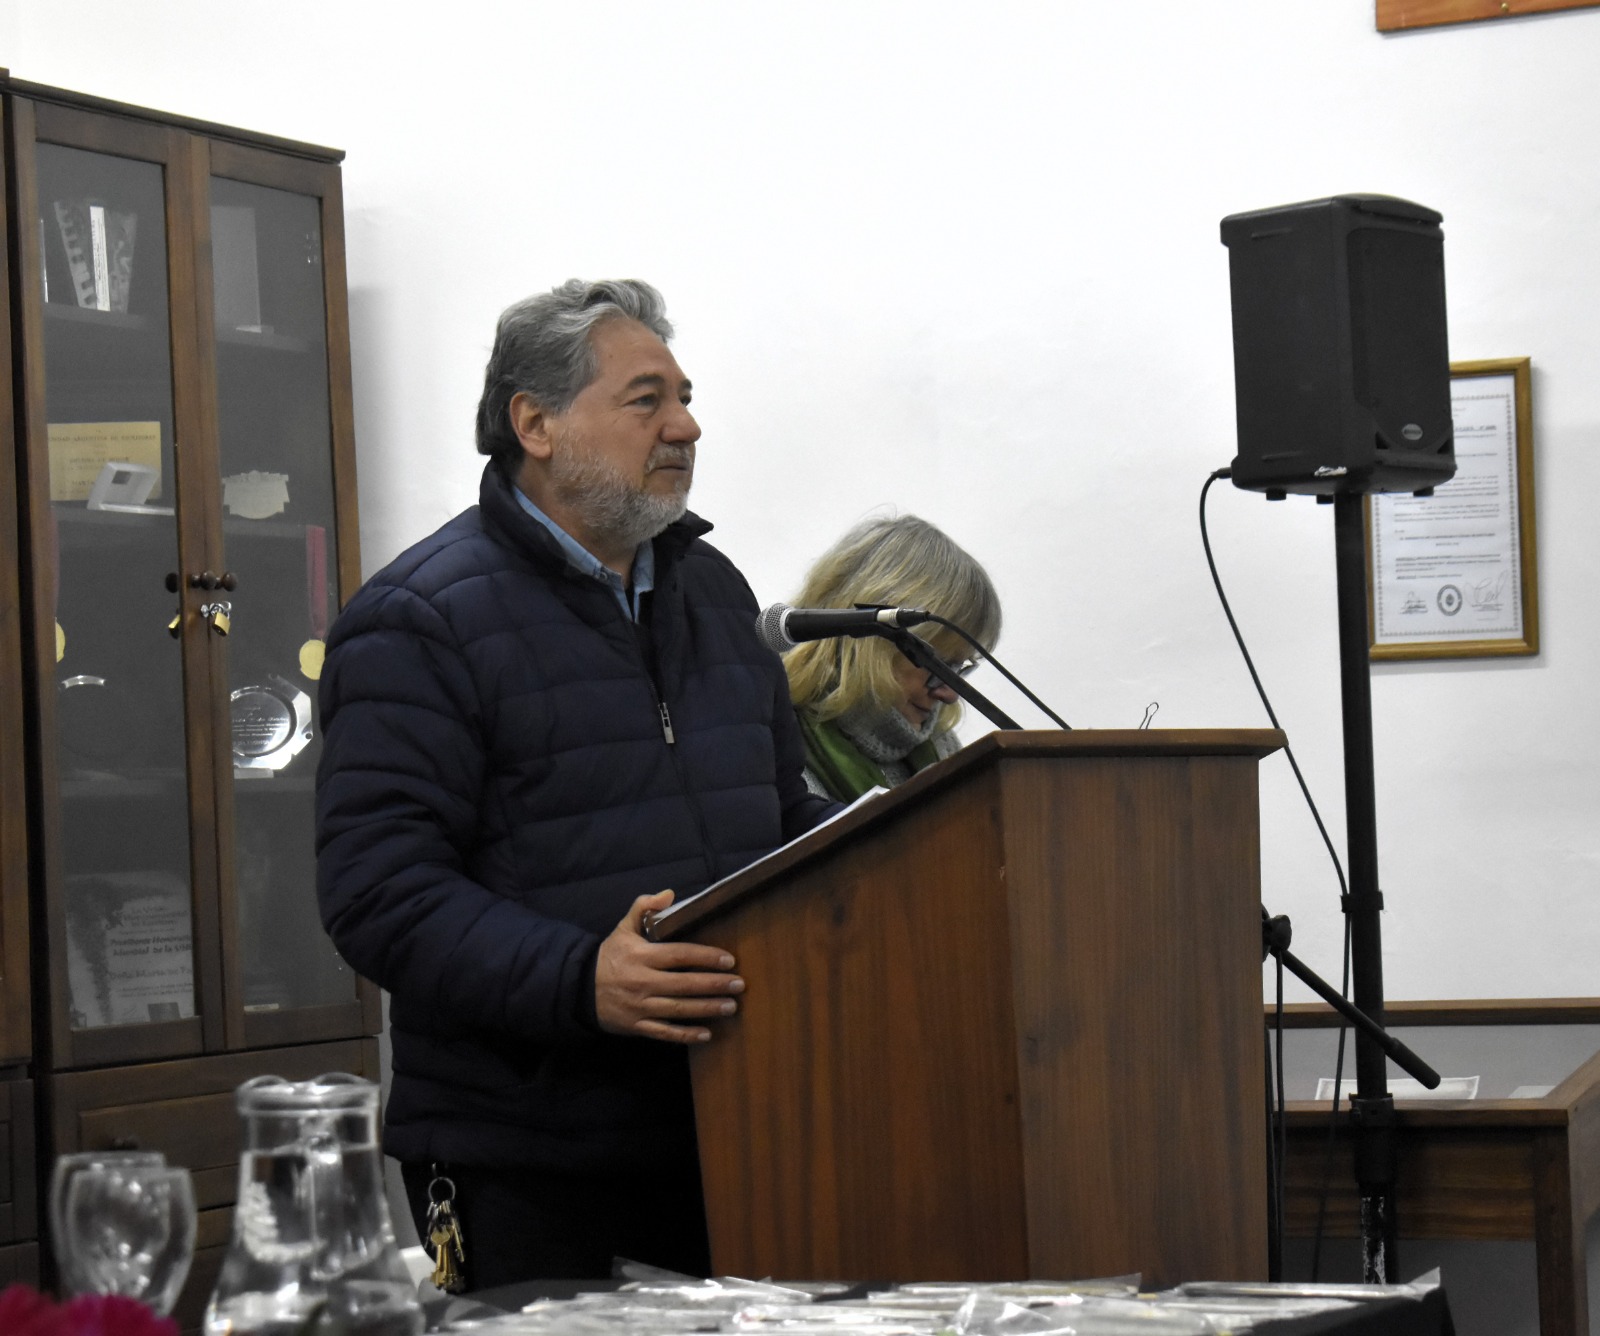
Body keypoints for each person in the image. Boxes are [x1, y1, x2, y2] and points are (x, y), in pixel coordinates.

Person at [315, 279, 836, 1289]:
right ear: (535, 424)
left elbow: (778, 814)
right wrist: (579, 978)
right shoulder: (420, 620)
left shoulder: (710, 591)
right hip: (527, 1155)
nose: (685, 426)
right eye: (647, 400)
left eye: (684, 398)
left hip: (735, 1117)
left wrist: (890, 844)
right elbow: (377, 891)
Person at [782, 515, 1002, 802]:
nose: (949, 695)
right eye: (937, 665)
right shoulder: (773, 745)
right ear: (867, 640)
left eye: (958, 669)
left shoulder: (942, 749)